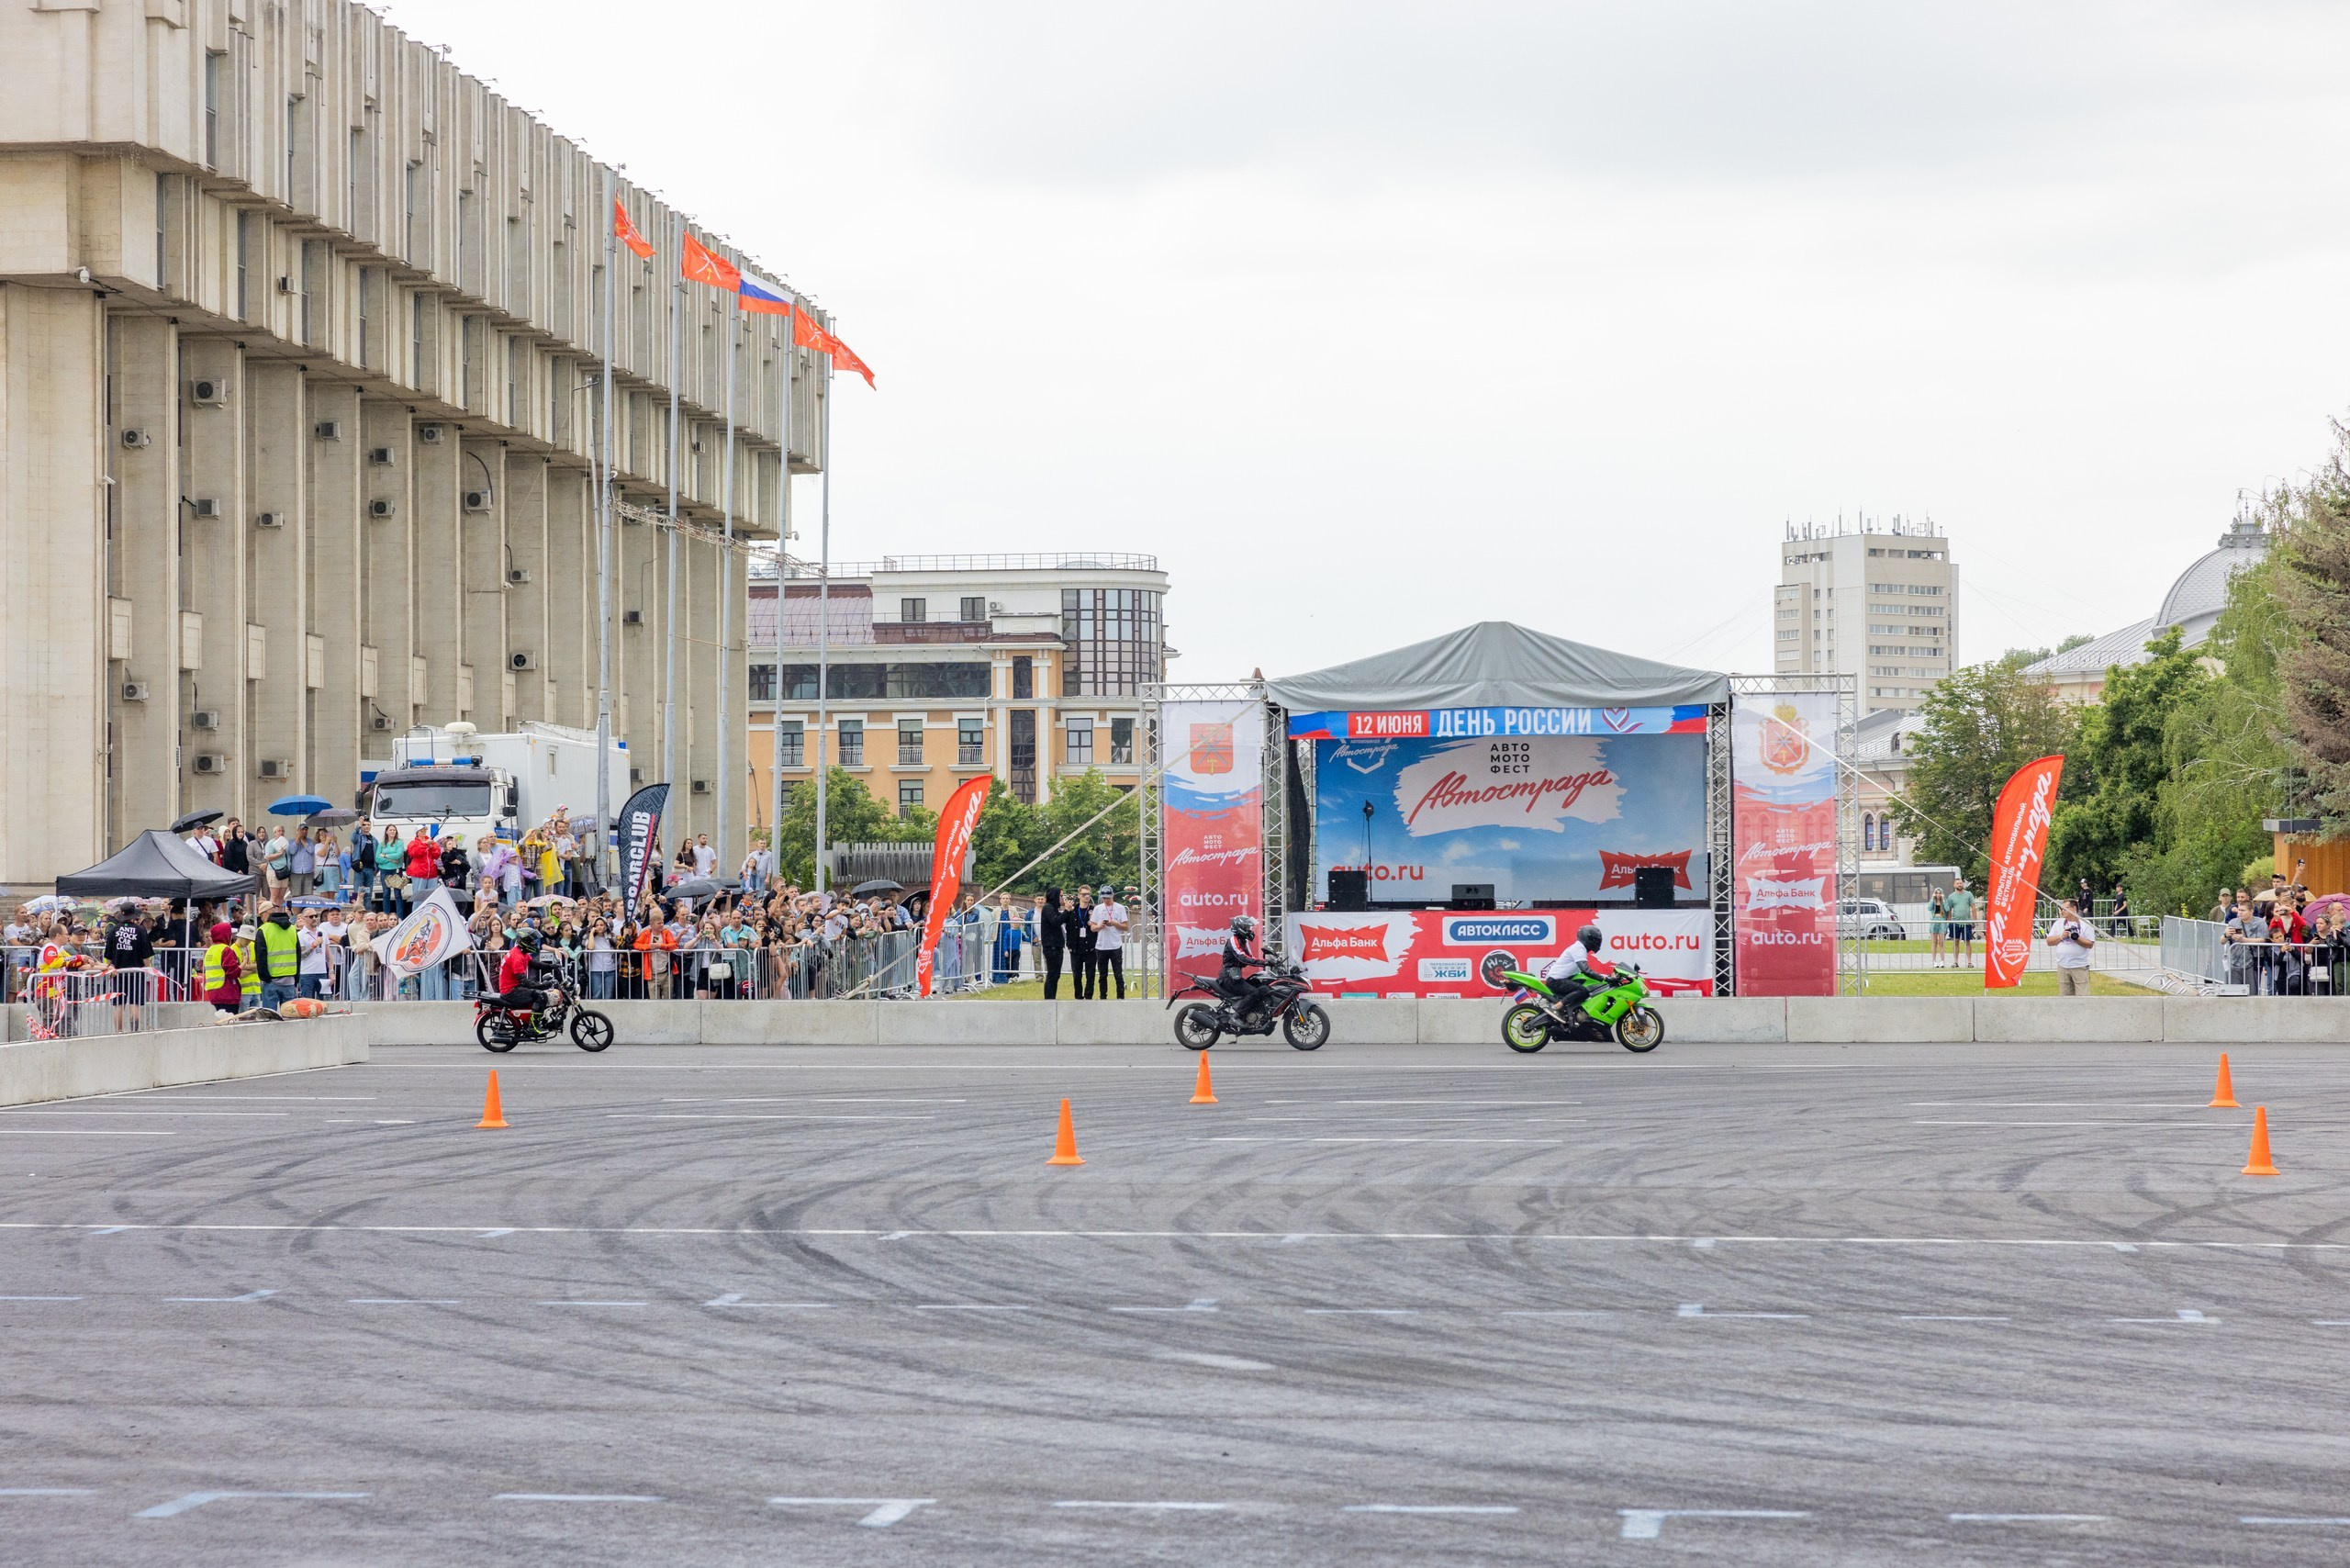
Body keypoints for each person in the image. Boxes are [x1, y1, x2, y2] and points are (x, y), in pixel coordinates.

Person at [1539, 924, 1613, 1017]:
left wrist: (1607, 976)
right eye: (1595, 940)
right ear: (1588, 938)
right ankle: (1557, 1007)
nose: (1597, 942)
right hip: (1556, 980)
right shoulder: (1579, 948)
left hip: (1562, 979)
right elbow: (1585, 970)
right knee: (1582, 991)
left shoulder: (1579, 948)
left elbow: (1584, 971)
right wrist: (1605, 979)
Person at [493, 929, 560, 1026]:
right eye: (532, 941)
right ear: (525, 942)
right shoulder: (517, 957)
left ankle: (532, 1021)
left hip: (515, 987)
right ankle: (533, 1027)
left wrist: (551, 966)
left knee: (538, 993)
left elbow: (533, 963)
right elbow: (524, 981)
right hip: (511, 991)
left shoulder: (521, 952)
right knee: (541, 996)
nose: (534, 943)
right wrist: (542, 985)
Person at [1218, 913, 1272, 1025]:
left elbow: (1250, 958)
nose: (1250, 930)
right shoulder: (1234, 940)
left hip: (1235, 976)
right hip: (1228, 977)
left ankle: (1255, 1014)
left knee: (1263, 987)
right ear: (1240, 928)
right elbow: (1242, 957)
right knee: (1254, 992)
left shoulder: (1243, 941)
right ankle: (1237, 1016)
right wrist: (1265, 962)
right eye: (1247, 928)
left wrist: (1270, 961)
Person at [2045, 899, 2096, 996]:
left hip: (2079, 966)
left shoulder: (2085, 923)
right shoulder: (2058, 923)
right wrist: (2061, 936)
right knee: (2065, 997)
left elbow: (2090, 944)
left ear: (2073, 909)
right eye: (2061, 909)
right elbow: (2049, 941)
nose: (2062, 911)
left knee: (2083, 996)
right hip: (2063, 966)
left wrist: (2076, 938)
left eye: (2065, 908)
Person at [254, 907, 300, 1011]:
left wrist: (264, 977)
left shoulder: (263, 930)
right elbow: (298, 954)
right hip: (290, 979)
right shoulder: (292, 929)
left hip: (271, 980)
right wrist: (296, 978)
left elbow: (260, 956)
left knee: (270, 1018)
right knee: (289, 1017)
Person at [1091, 887, 1128, 1000]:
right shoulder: (1098, 909)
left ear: (1112, 896)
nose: (1106, 900)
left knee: (1118, 974)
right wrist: (1099, 926)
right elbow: (1092, 927)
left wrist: (1115, 923)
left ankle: (1120, 997)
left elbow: (1126, 927)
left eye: (1108, 898)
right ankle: (1103, 996)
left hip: (1115, 946)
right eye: (1104, 898)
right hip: (1101, 946)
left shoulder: (1120, 908)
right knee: (1102, 975)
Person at [200, 921, 242, 1014]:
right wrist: (242, 966)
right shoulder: (226, 950)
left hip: (213, 992)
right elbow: (232, 972)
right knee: (230, 1021)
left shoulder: (210, 950)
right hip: (227, 992)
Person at [1066, 884, 1097, 1000]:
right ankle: (1078, 997)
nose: (1086, 897)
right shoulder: (1073, 911)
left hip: (1090, 947)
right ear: (1079, 896)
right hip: (1076, 947)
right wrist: (1069, 944)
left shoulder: (1094, 910)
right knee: (1077, 976)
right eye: (1084, 894)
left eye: (1088, 894)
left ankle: (1089, 997)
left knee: (1091, 975)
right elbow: (1068, 928)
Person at [1039, 890, 1068, 999]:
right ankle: (1049, 998)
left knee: (1056, 975)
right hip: (1051, 946)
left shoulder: (1054, 909)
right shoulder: (1048, 908)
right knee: (1052, 974)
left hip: (1057, 946)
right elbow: (1056, 922)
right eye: (1060, 896)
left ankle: (1052, 997)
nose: (1062, 898)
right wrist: (1066, 911)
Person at [1944, 876, 1977, 968]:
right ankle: (1956, 962)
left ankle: (1969, 962)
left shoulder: (1968, 894)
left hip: (1966, 923)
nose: (1959, 884)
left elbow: (1973, 907)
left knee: (1967, 942)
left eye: (1961, 883)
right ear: (1954, 885)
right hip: (1955, 923)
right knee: (1956, 942)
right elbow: (1949, 909)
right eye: (1958, 883)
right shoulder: (1951, 897)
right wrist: (1949, 921)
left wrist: (1975, 920)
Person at [1927, 887, 1948, 968]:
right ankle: (1934, 961)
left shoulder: (1944, 901)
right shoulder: (1933, 901)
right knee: (1934, 942)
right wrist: (1932, 899)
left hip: (1942, 921)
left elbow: (1947, 909)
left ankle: (1942, 961)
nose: (1938, 894)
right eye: (1937, 893)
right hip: (1934, 921)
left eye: (1940, 893)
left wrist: (1944, 900)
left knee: (1941, 942)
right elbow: (1929, 908)